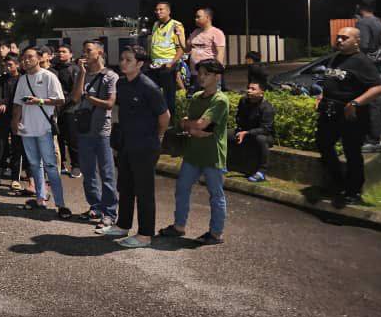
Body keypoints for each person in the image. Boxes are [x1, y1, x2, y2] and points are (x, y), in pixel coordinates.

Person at [99, 46, 169, 247]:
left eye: (128, 60)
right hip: (126, 143)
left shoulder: (148, 86)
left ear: (139, 63)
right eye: (122, 58)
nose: (123, 63)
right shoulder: (121, 83)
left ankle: (145, 235)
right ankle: (122, 225)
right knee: (126, 186)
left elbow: (165, 116)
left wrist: (158, 136)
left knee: (144, 191)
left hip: (145, 145)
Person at [161, 60, 229, 244]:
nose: (202, 77)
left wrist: (192, 126)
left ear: (217, 77)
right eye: (200, 73)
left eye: (207, 74)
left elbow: (200, 124)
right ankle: (179, 226)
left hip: (212, 154)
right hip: (192, 152)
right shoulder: (198, 96)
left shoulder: (220, 100)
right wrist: (192, 127)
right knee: (182, 188)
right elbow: (189, 124)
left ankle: (216, 233)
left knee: (216, 195)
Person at [316, 27, 381, 205]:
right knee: (323, 144)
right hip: (329, 112)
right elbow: (332, 80)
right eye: (338, 37)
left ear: (356, 41)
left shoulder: (362, 61)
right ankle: (337, 182)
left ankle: (353, 191)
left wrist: (355, 103)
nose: (339, 40)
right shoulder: (336, 57)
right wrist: (322, 95)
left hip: (351, 115)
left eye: (345, 38)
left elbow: (378, 87)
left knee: (352, 152)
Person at [12, 45, 70, 217]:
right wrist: (15, 122)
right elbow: (17, 103)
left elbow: (60, 100)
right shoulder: (23, 79)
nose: (26, 60)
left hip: (44, 128)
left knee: (50, 166)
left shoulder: (48, 76)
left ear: (39, 58)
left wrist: (40, 101)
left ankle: (60, 203)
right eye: (23, 58)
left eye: (30, 57)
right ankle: (40, 198)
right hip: (27, 129)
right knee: (34, 165)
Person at [70, 39, 119, 228]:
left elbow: (110, 103)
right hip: (84, 130)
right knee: (89, 172)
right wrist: (82, 74)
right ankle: (95, 206)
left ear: (99, 53)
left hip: (102, 131)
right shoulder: (82, 74)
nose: (85, 54)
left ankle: (110, 213)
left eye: (89, 50)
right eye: (84, 50)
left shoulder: (110, 76)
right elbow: (75, 98)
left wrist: (89, 98)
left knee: (107, 173)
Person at [355, 0, 381, 152]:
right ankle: (374, 138)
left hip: (367, 68)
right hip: (378, 67)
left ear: (359, 7)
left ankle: (372, 140)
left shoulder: (363, 23)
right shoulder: (378, 22)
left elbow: (363, 46)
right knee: (375, 103)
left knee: (368, 103)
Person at [147, 2, 186, 117]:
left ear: (168, 11)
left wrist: (171, 63)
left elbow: (181, 48)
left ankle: (170, 121)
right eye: (156, 10)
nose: (158, 12)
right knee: (153, 95)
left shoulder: (176, 25)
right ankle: (156, 119)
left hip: (168, 66)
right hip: (155, 66)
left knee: (169, 97)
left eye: (161, 9)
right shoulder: (155, 25)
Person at [234, 80, 275, 182]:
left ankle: (261, 172)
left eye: (253, 89)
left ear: (261, 93)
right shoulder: (243, 101)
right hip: (245, 132)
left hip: (263, 135)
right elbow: (239, 117)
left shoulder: (267, 107)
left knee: (261, 139)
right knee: (224, 134)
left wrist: (247, 133)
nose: (249, 91)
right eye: (248, 88)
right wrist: (242, 130)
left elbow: (266, 129)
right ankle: (222, 164)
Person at [0, 52, 21, 184]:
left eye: (10, 65)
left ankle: (15, 178)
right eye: (5, 65)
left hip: (18, 117)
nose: (7, 68)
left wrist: (7, 103)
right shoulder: (2, 79)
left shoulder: (22, 79)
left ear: (17, 65)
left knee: (17, 148)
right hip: (2, 118)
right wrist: (0, 102)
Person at [51, 44, 81, 178]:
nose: (60, 54)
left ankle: (76, 165)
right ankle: (61, 163)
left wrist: (65, 102)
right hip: (56, 108)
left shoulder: (74, 69)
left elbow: (76, 91)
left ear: (71, 54)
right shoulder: (54, 69)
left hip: (70, 108)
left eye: (64, 51)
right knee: (59, 137)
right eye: (59, 51)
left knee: (72, 138)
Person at [187, 8, 226, 91]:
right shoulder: (195, 32)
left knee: (210, 96)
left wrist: (217, 72)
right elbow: (186, 49)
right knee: (195, 96)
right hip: (195, 73)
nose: (196, 19)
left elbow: (220, 53)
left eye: (198, 17)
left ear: (208, 17)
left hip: (209, 74)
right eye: (195, 17)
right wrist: (180, 36)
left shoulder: (216, 32)